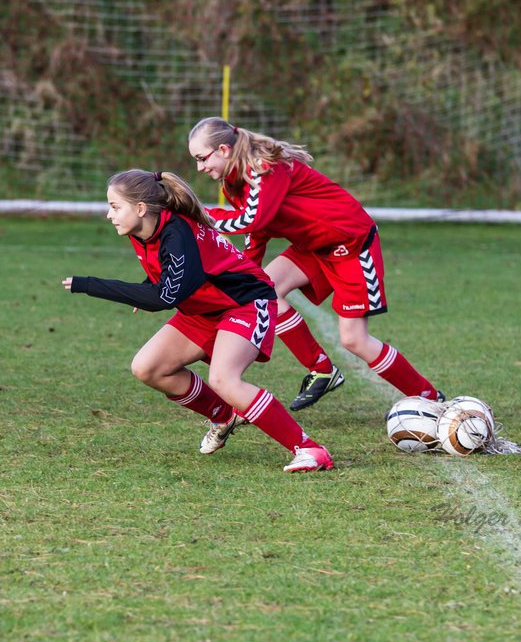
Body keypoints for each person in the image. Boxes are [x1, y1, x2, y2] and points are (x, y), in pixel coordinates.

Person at [63, 169, 334, 472]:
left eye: (115, 207)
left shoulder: (176, 234)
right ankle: (223, 415)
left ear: (140, 208)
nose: (109, 215)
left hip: (244, 304)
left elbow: (164, 297)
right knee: (148, 368)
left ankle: (310, 449)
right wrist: (148, 284)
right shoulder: (145, 228)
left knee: (224, 379)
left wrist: (88, 284)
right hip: (203, 309)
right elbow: (180, 269)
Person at [187, 117, 443, 411]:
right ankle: (322, 369)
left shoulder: (263, 168)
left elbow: (254, 219)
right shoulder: (233, 181)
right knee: (265, 289)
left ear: (223, 149)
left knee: (354, 340)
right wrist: (248, 272)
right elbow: (256, 231)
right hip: (313, 246)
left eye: (201, 158)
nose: (200, 167)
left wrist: (202, 216)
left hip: (351, 244)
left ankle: (430, 399)